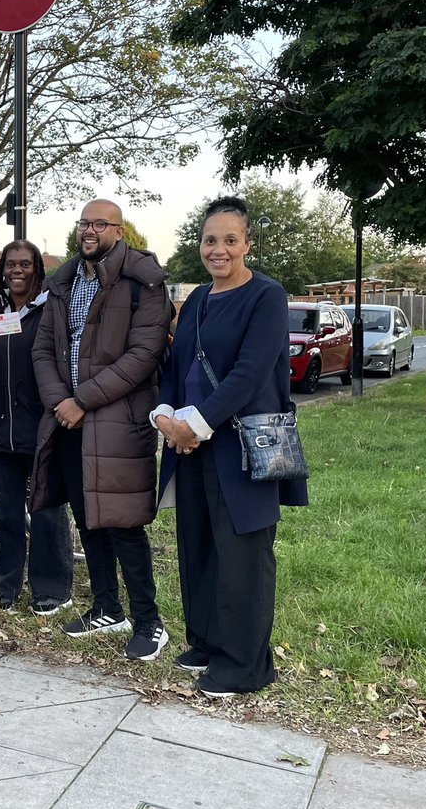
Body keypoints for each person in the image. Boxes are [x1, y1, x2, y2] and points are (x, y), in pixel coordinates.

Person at [152, 196, 308, 696]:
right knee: (198, 545)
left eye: (229, 240)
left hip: (241, 445)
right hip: (190, 446)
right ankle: (206, 643)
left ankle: (244, 666)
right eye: (209, 240)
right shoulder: (198, 298)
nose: (217, 249)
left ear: (247, 244)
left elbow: (250, 373)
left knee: (243, 556)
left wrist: (196, 425)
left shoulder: (267, 296)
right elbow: (176, 365)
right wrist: (165, 416)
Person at [28, 200, 172, 661]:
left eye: (99, 224)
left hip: (117, 423)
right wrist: (60, 402)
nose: (88, 231)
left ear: (119, 230)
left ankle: (149, 622)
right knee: (88, 518)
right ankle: (108, 607)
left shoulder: (143, 282)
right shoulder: (63, 281)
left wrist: (81, 401)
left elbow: (143, 356)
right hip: (67, 421)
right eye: (83, 223)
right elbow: (43, 349)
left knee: (124, 524)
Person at [0, 240, 72, 615]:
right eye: (10, 264)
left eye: (25, 264)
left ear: (37, 269)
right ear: (2, 271)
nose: (17, 270)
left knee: (46, 510)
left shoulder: (51, 310)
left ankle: (52, 588)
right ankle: (6, 586)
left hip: (43, 426)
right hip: (0, 428)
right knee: (8, 513)